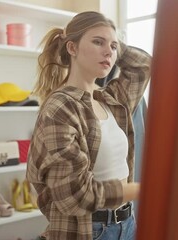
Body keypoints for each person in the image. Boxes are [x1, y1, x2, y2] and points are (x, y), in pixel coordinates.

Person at [26, 11, 152, 240]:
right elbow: (76, 195)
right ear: (71, 48)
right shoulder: (60, 107)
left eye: (113, 47)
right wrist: (145, 189)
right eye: (97, 42)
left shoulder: (110, 101)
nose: (109, 52)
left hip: (127, 223)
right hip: (90, 231)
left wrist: (110, 41)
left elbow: (143, 66)